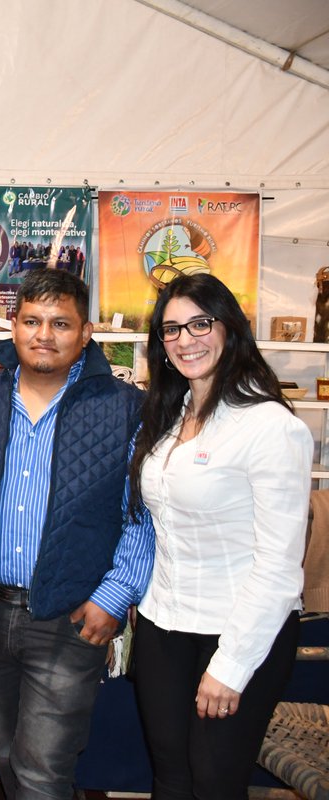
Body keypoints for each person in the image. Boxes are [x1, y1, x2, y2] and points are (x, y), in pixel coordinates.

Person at [0, 268, 155, 800]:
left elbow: (140, 513)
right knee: (6, 752)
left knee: (43, 767)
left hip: (69, 618)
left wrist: (115, 596)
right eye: (31, 320)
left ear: (86, 331)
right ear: (13, 324)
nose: (43, 334)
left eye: (60, 323)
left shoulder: (122, 409)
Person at [127, 273, 312, 800]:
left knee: (214, 783)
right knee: (170, 777)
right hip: (164, 627)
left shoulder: (271, 427)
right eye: (171, 330)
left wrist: (230, 667)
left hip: (237, 633)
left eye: (200, 323)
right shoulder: (171, 416)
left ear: (229, 328)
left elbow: (279, 568)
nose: (186, 340)